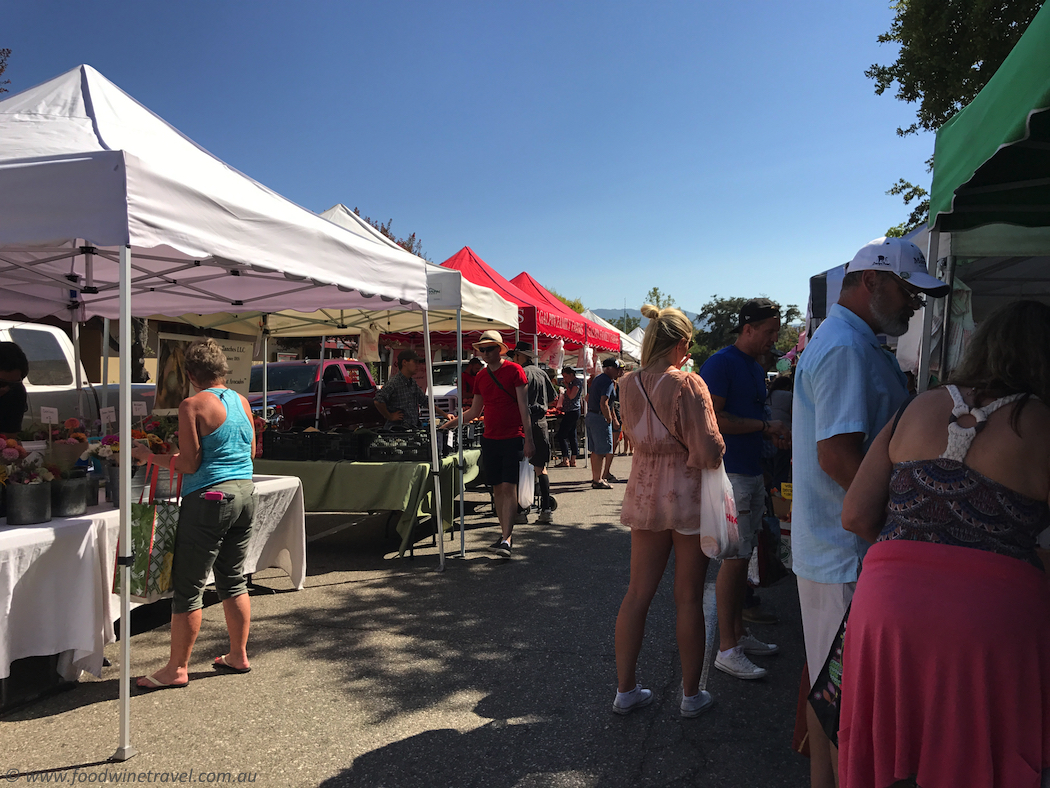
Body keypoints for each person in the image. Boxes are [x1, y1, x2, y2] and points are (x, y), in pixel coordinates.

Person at [837, 300, 1050, 788]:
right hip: (994, 615)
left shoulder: (916, 405)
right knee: (979, 751)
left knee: (891, 748)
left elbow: (855, 514)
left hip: (887, 602)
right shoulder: (1042, 425)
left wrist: (912, 552)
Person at [792, 236, 950, 787]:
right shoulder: (845, 348)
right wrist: (890, 527)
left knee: (833, 698)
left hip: (838, 551)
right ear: (871, 282)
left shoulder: (852, 342)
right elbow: (837, 454)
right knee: (850, 710)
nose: (915, 304)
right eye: (908, 291)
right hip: (847, 554)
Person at [613, 304, 725, 717]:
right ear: (680, 343)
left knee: (637, 593)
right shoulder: (688, 384)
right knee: (688, 597)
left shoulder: (627, 383)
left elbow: (632, 433)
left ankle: (625, 690)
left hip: (643, 492)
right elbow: (708, 450)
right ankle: (691, 695)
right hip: (687, 494)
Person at [130, 338, 258, 691]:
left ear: (189, 374)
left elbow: (189, 463)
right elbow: (251, 449)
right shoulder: (241, 402)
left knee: (189, 587)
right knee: (233, 578)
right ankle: (238, 654)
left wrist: (148, 456)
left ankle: (177, 668)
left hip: (209, 499)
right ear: (222, 371)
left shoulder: (192, 404)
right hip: (245, 493)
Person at [699, 298, 787, 681]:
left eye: (776, 332)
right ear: (747, 328)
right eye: (769, 331)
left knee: (742, 557)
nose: (773, 339)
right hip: (730, 473)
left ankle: (737, 635)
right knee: (734, 560)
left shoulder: (752, 365)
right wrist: (765, 429)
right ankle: (727, 649)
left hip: (749, 472)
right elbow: (714, 420)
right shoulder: (722, 363)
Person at [443, 330, 533, 558]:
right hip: (490, 438)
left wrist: (529, 440)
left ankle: (506, 538)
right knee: (496, 489)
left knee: (508, 487)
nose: (485, 353)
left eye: (489, 348)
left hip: (513, 436)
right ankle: (505, 536)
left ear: (500, 349)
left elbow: (524, 407)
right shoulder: (481, 377)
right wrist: (449, 425)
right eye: (482, 349)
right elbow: (474, 411)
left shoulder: (515, 370)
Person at [510, 341, 558, 524]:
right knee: (541, 468)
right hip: (542, 423)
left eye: (515, 355)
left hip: (524, 423)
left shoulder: (521, 373)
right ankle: (546, 509)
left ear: (520, 356)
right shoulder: (541, 373)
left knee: (522, 466)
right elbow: (553, 399)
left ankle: (522, 510)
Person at [374, 349, 450, 428]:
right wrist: (390, 416)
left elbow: (425, 401)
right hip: (397, 430)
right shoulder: (394, 383)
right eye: (415, 362)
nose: (418, 365)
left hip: (412, 429)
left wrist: (445, 415)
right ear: (404, 363)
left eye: (418, 362)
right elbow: (378, 400)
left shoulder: (412, 383)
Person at [587, 358, 624, 489]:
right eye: (618, 368)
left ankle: (596, 477)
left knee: (595, 450)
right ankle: (598, 479)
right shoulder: (607, 381)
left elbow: (588, 398)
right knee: (601, 450)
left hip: (591, 415)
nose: (620, 371)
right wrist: (609, 419)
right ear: (608, 368)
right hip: (599, 417)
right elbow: (604, 403)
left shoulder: (598, 378)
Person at [554, 367, 582, 467]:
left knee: (561, 435)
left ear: (571, 375)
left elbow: (571, 396)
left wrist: (566, 386)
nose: (564, 378)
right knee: (572, 435)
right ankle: (572, 460)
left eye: (566, 376)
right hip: (569, 411)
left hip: (572, 411)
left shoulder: (576, 383)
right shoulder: (572, 383)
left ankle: (566, 458)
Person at [0, 341, 29, 433]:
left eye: (13, 383)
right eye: (1, 383)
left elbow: (10, 435)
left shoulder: (16, 391)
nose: (6, 388)